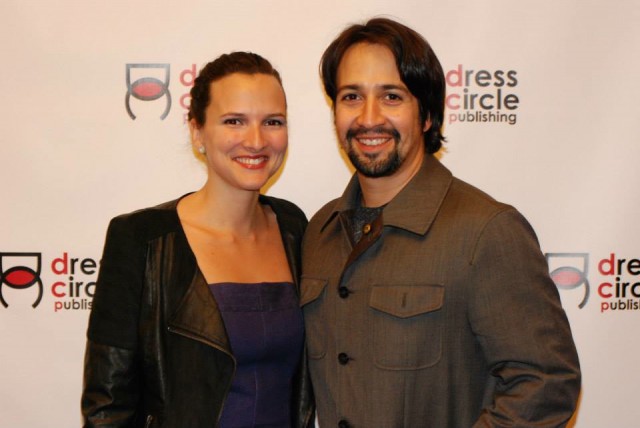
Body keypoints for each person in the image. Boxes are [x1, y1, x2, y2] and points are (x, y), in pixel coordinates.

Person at [301, 17, 581, 427]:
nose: (369, 117)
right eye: (351, 97)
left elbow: (546, 383)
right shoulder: (318, 232)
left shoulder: (486, 231)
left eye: (392, 97)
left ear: (428, 115)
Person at [82, 52, 314, 428]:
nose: (256, 140)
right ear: (197, 131)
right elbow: (107, 407)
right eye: (234, 121)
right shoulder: (141, 239)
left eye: (272, 122)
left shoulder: (294, 228)